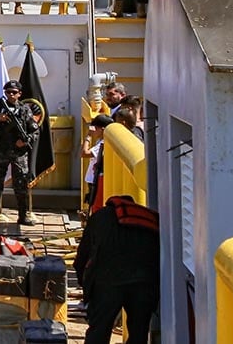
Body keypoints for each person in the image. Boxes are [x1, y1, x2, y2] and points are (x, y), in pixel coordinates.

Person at [74, 195, 161, 344]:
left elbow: (83, 254)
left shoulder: (100, 217)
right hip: (143, 281)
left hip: (108, 281)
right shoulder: (149, 217)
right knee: (139, 332)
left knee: (99, 330)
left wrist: (86, 286)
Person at [0, 80, 40, 225]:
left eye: (14, 92)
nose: (11, 95)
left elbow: (35, 131)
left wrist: (25, 141)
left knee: (21, 184)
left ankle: (23, 215)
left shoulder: (25, 110)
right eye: (8, 92)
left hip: (19, 153)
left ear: (19, 94)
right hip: (2, 150)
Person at [83, 113, 113, 211]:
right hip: (93, 179)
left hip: (96, 180)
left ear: (102, 129)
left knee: (95, 205)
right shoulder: (100, 141)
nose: (93, 131)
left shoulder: (103, 143)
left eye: (95, 128)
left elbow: (84, 153)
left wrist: (88, 136)